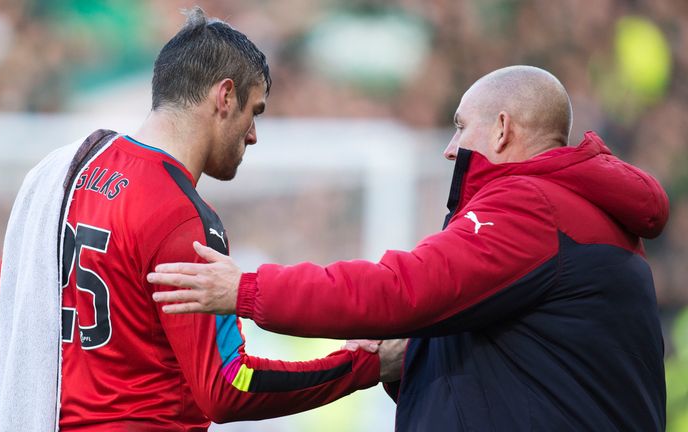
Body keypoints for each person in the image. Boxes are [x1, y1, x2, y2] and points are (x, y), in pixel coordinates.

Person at [148, 65, 670, 431]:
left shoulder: (532, 205)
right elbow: (501, 352)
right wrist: (405, 363)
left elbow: (401, 290)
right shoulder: (569, 213)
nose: (449, 148)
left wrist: (249, 288)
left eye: (461, 127)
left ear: (504, 130)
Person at [0, 8, 389, 431]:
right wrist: (361, 366)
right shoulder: (182, 218)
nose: (253, 134)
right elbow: (228, 388)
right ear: (225, 96)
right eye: (255, 111)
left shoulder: (60, 173)